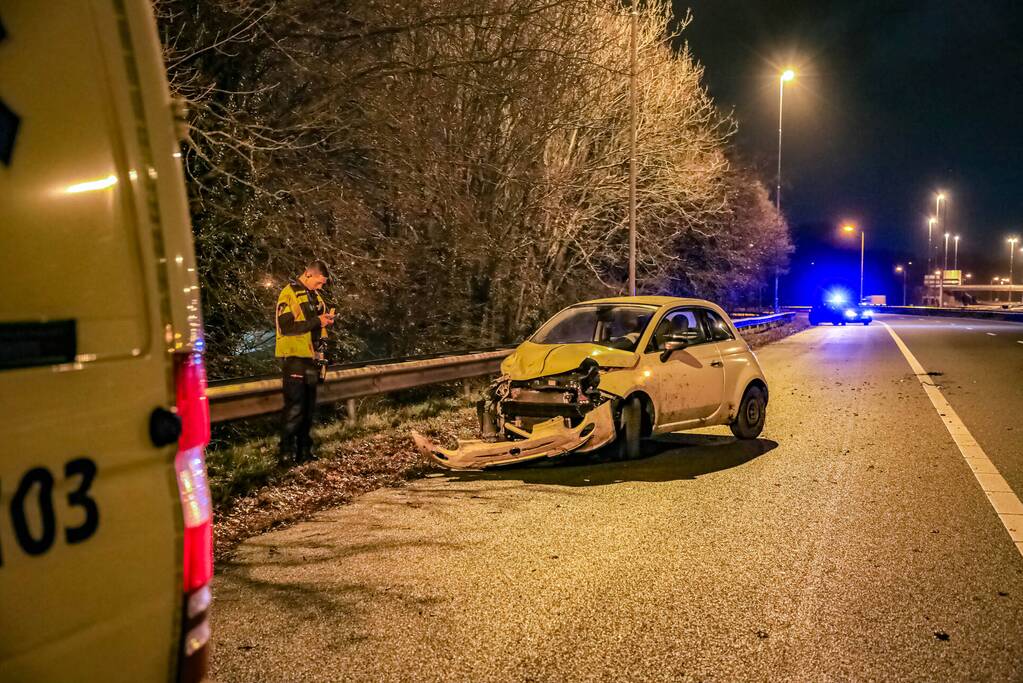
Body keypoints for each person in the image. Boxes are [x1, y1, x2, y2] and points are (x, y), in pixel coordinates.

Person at [275, 260, 336, 462]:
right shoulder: (289, 293)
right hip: (294, 357)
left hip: (311, 358)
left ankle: (304, 451)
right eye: (319, 282)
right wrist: (318, 321)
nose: (321, 287)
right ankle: (286, 453)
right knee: (294, 408)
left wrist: (325, 322)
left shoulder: (314, 296)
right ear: (309, 274)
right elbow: (287, 327)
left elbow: (316, 325)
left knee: (308, 409)